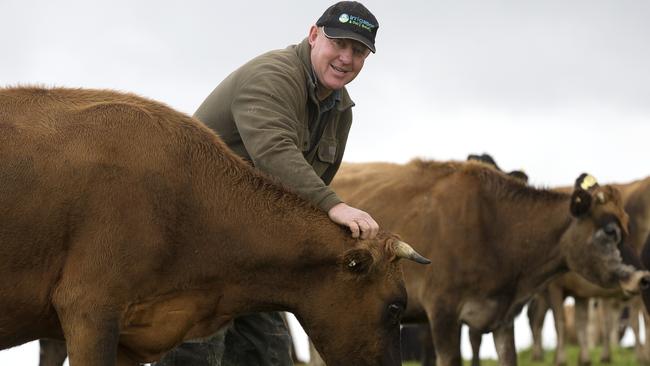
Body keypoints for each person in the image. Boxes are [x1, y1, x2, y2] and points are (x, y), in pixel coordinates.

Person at [155, 2, 380, 365]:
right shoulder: (273, 75)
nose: (345, 58)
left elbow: (305, 189)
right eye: (338, 43)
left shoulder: (340, 110)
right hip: (195, 240)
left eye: (358, 51)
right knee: (197, 353)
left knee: (270, 355)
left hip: (251, 248)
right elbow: (274, 152)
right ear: (313, 36)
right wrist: (334, 206)